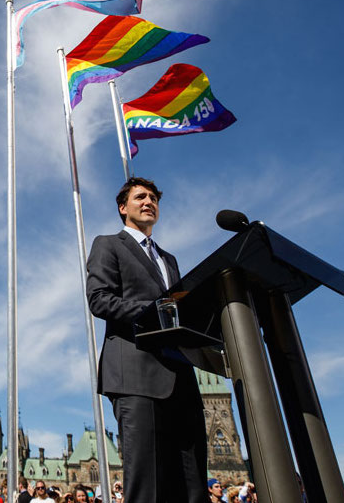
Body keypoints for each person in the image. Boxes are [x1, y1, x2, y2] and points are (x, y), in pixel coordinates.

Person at [87, 177, 205, 503]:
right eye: (140, 196)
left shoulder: (170, 260)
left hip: (180, 376)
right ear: (123, 207)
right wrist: (157, 310)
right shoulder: (108, 244)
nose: (148, 201)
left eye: (153, 197)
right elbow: (99, 300)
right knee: (147, 487)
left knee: (192, 486)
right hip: (135, 375)